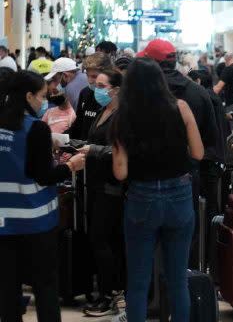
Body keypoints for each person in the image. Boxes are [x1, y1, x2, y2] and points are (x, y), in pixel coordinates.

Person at [110, 57, 204, 322]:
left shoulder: (123, 117)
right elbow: (197, 152)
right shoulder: (181, 107)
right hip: (179, 198)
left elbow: (121, 172)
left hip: (142, 200)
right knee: (177, 280)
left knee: (138, 283)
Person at [0, 71, 86, 322]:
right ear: (28, 96)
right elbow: (44, 176)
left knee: (8, 288)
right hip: (36, 222)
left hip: (4, 223)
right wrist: (71, 166)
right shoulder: (34, 129)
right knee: (45, 286)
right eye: (41, 96)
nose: (44, 102)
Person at [137, 39, 219, 270]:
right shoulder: (198, 93)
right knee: (183, 248)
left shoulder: (139, 96)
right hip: (186, 182)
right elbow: (210, 143)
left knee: (146, 248)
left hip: (145, 183)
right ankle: (187, 291)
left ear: (152, 63)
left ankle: (153, 299)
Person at [79, 68, 125, 316]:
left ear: (115, 90)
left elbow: (118, 150)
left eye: (101, 85)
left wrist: (92, 150)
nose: (96, 89)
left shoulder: (121, 116)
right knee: (99, 240)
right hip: (96, 184)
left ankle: (112, 292)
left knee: (104, 239)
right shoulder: (101, 111)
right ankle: (106, 292)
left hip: (112, 188)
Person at [188, 68, 229, 267]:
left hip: (208, 161)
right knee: (212, 209)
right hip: (216, 159)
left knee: (208, 212)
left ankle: (209, 259)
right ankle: (212, 260)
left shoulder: (204, 101)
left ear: (197, 81)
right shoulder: (213, 98)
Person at [68, 52, 112, 140]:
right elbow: (78, 125)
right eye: (87, 76)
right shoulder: (85, 93)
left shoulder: (114, 97)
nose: (90, 81)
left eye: (94, 76)